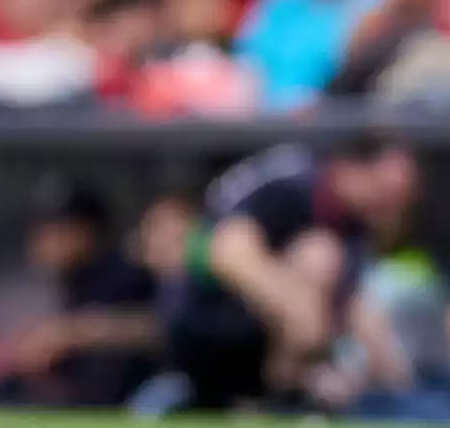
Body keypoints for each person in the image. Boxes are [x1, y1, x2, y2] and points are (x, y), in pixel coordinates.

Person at [162, 137, 418, 411]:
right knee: (319, 254)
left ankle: (288, 394)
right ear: (351, 169)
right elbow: (227, 251)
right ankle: (278, 394)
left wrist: (402, 383)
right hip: (205, 319)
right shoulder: (297, 184)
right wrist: (297, 308)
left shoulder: (353, 221)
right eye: (385, 193)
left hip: (262, 344)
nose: (391, 209)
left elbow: (357, 307)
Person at [0, 182, 161, 407]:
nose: (44, 241)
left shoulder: (125, 275)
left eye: (59, 230)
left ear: (89, 232)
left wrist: (72, 333)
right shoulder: (73, 281)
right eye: (42, 230)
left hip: (136, 398)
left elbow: (158, 328)